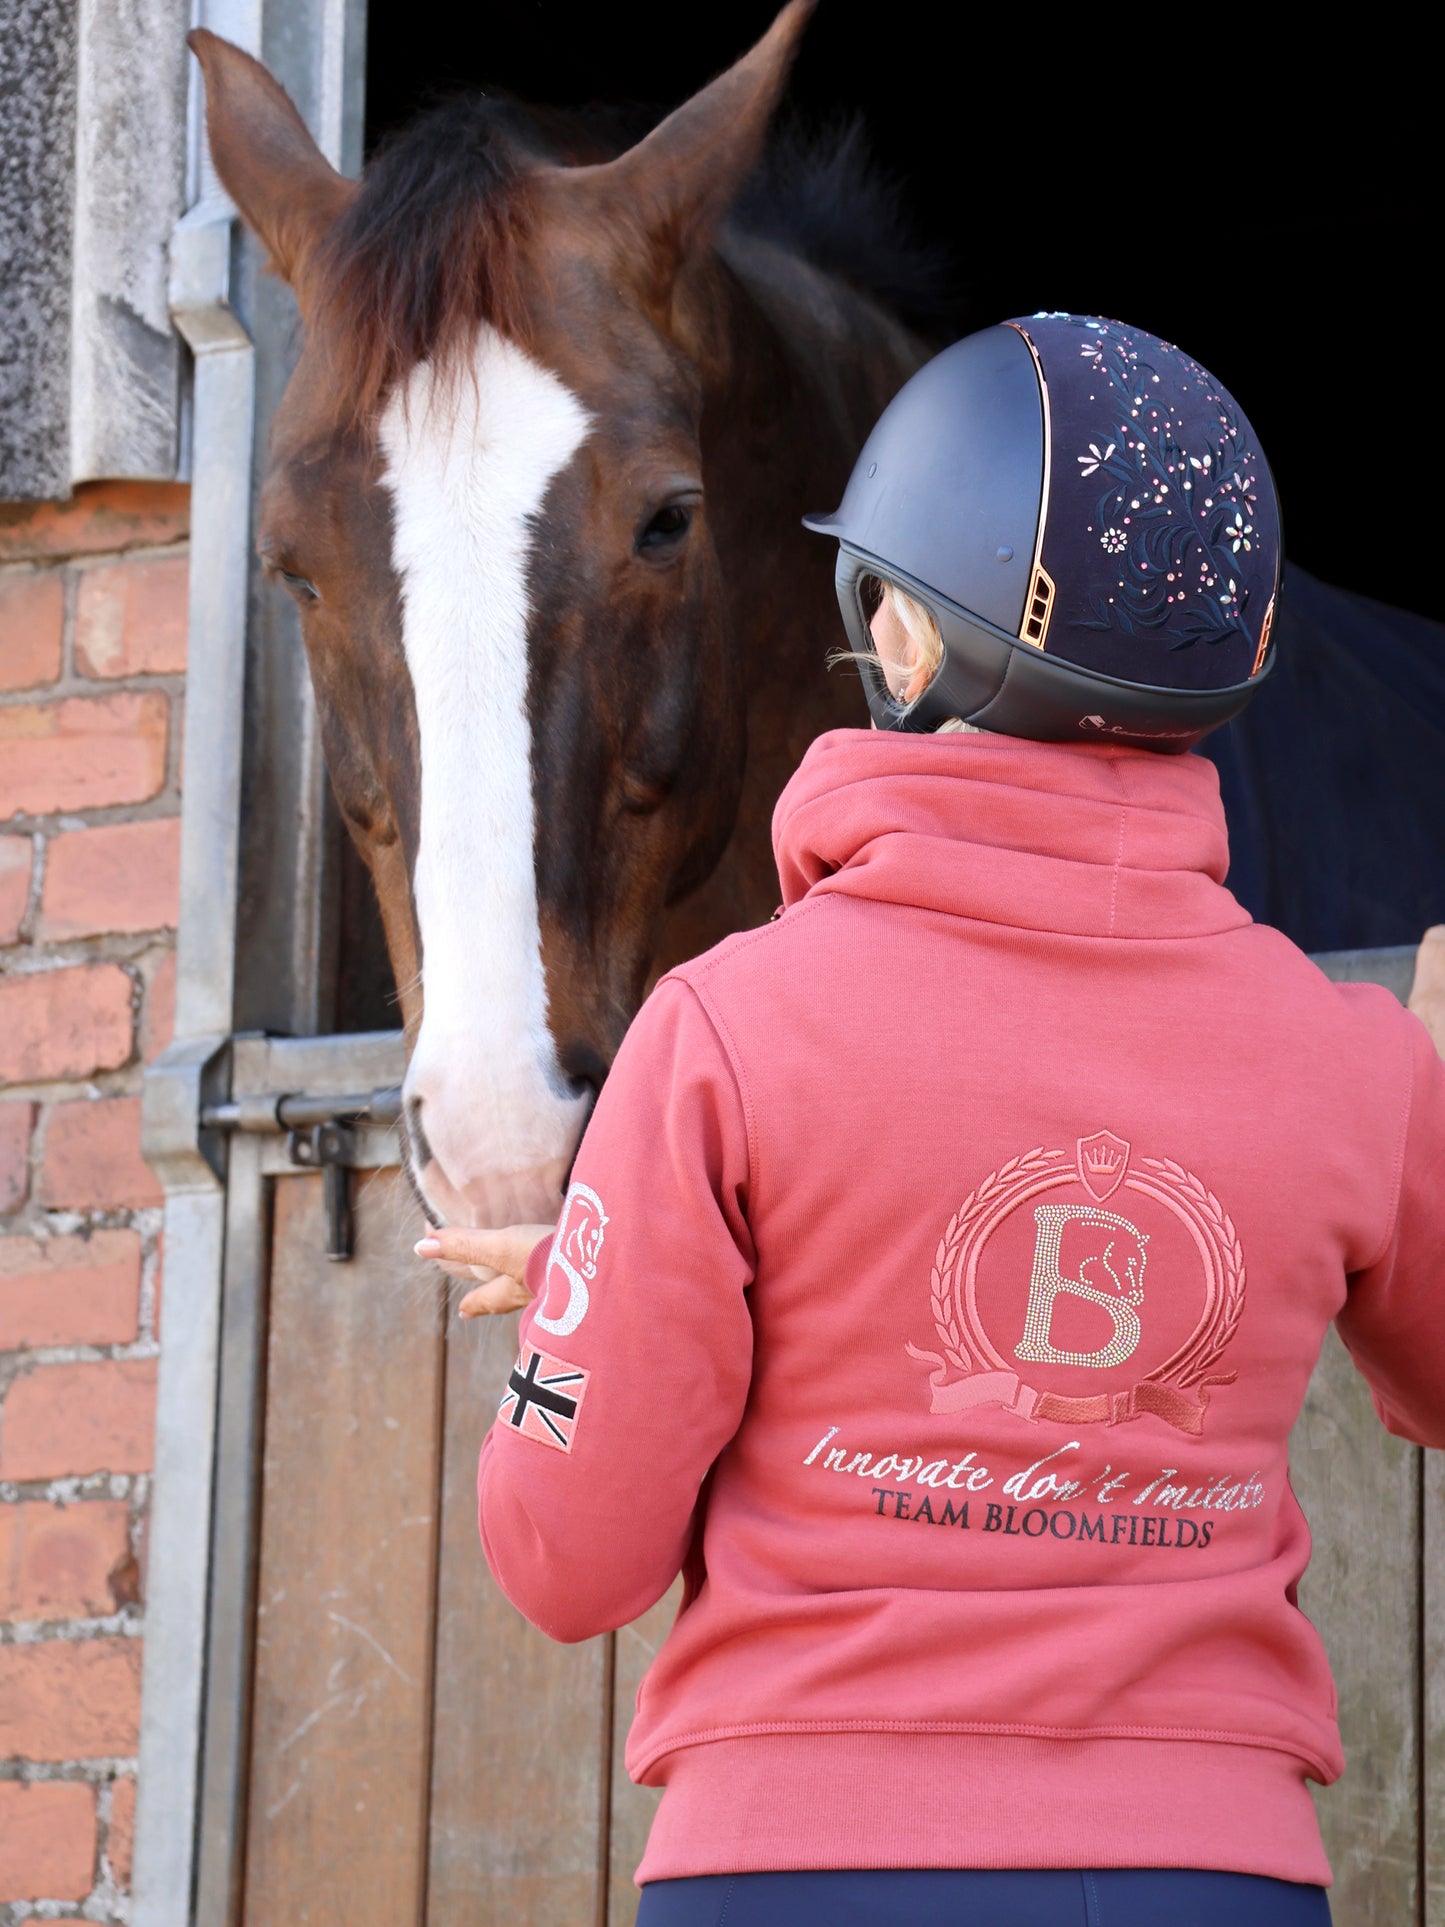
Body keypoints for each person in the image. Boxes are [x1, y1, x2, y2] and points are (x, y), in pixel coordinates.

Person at [417, 314, 1445, 1926]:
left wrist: (595, 1301)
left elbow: (566, 1561)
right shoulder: (1352, 1063)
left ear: (898, 642)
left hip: (797, 1870)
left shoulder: (723, 1033)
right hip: (1212, 1874)